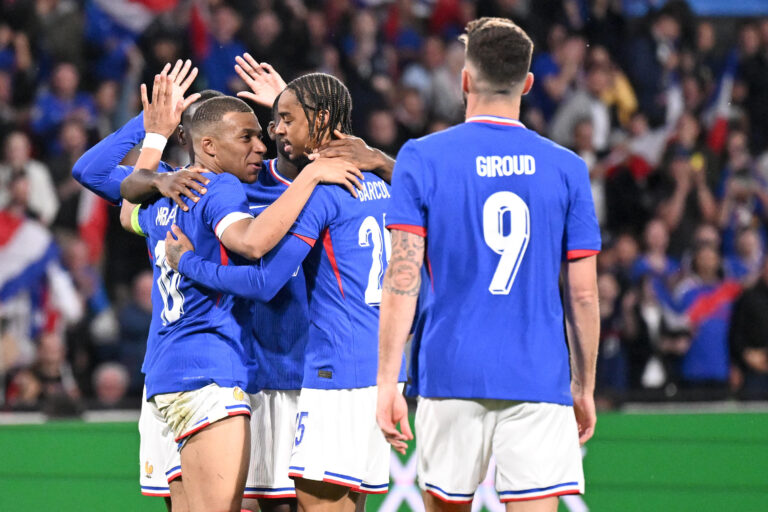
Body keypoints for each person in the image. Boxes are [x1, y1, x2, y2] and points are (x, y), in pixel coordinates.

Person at [376, 17, 601, 511]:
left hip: (450, 369)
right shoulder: (567, 168)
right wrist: (583, 386)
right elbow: (582, 294)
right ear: (528, 83)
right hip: (539, 376)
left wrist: (388, 381)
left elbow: (402, 278)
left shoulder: (422, 157)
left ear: (464, 79)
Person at [121, 73, 362, 512]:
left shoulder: (301, 181)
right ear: (208, 143)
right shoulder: (209, 187)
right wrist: (153, 145)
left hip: (284, 372)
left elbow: (117, 193)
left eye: (275, 125)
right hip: (228, 373)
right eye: (252, 133)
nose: (265, 142)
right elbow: (123, 199)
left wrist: (150, 137)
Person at [165, 72, 404, 512]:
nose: (274, 131)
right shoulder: (384, 181)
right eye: (273, 121)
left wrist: (188, 264)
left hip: (324, 373)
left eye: (285, 119)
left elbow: (261, 271)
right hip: (356, 369)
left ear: (321, 119)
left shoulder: (321, 189)